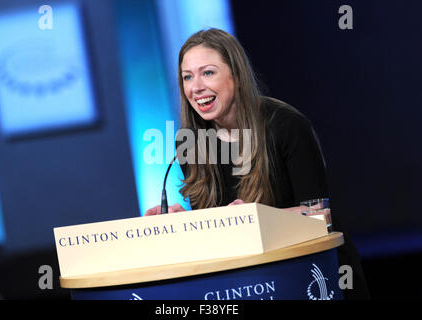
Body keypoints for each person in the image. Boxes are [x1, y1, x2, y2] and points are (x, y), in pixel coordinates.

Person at [145, 28, 369, 299]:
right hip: (250, 281)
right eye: (187, 77)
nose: (196, 87)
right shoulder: (189, 142)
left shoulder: (286, 125)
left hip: (313, 275)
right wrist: (185, 224)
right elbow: (222, 228)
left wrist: (254, 218)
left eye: (208, 73)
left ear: (236, 76)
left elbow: (319, 217)